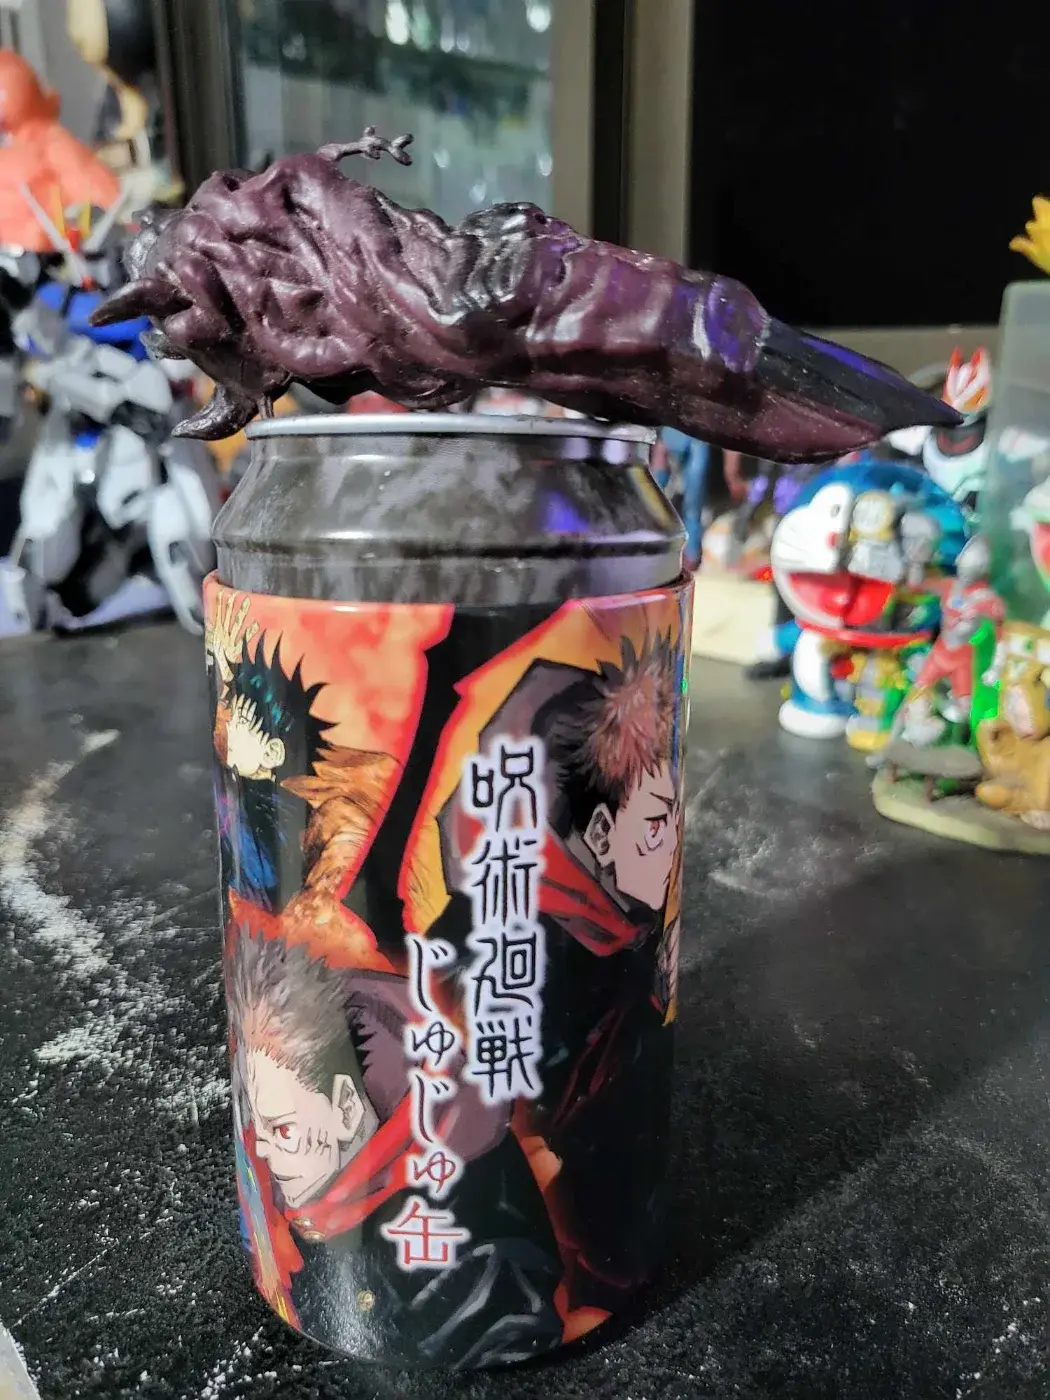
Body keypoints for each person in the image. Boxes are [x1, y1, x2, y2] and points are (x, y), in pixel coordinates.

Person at [227, 923, 563, 1366]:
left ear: (347, 1108)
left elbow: (509, 1328)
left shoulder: (475, 1226)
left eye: (283, 1130)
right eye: (260, 1126)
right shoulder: (312, 1162)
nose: (263, 1152)